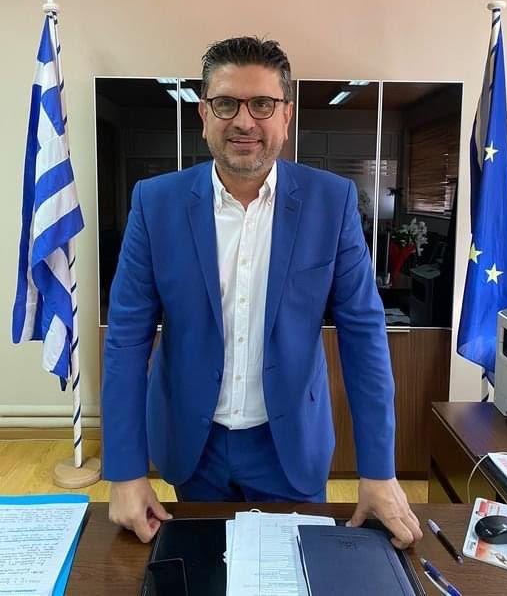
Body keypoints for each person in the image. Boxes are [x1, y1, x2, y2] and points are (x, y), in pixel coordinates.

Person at [103, 36, 423, 549]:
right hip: (193, 445)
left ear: (286, 115)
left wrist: (379, 471)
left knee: (293, 573)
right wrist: (124, 470)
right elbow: (125, 339)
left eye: (262, 104)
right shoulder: (155, 203)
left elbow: (364, 338)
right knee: (201, 570)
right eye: (226, 103)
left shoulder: (331, 201)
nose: (244, 121)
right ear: (203, 114)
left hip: (289, 445)